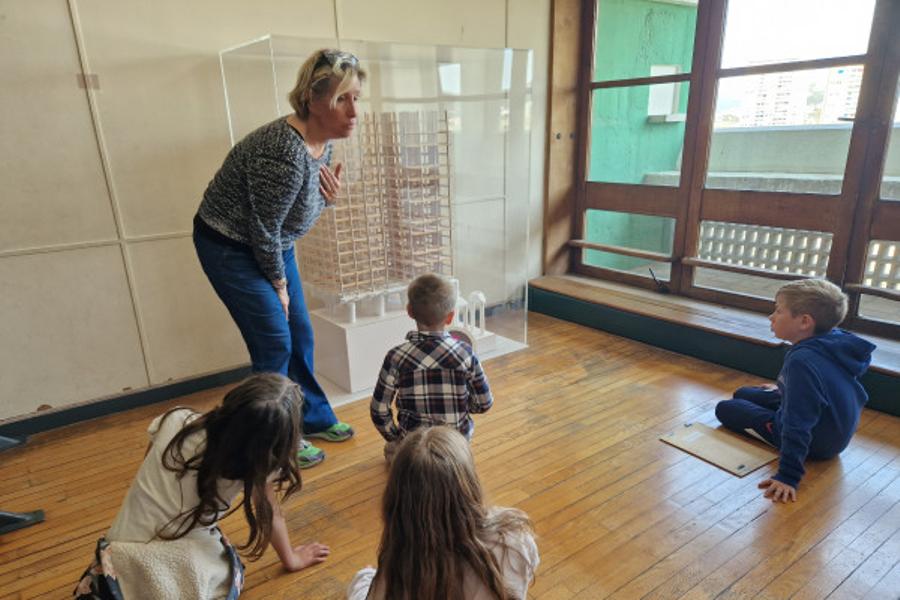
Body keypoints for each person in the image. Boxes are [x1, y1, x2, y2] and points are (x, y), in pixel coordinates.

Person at [193, 48, 366, 468]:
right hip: (230, 245)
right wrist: (280, 286)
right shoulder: (283, 151)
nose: (354, 111)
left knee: (300, 334)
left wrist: (329, 201)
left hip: (270, 243)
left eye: (357, 98)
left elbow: (290, 213)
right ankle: (274, 441)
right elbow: (264, 229)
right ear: (312, 99)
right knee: (274, 340)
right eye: (342, 99)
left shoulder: (320, 144)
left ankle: (310, 417)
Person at [73, 373, 330, 599]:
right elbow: (269, 514)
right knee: (228, 569)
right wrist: (292, 559)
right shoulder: (255, 468)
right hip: (168, 561)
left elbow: (149, 468)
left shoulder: (177, 419)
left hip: (116, 549)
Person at [715, 279, 876, 503]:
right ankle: (781, 395)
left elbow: (797, 423)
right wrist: (785, 388)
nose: (771, 317)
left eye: (779, 311)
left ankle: (781, 440)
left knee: (727, 408)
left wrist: (788, 476)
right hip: (833, 425)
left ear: (804, 322)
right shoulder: (833, 340)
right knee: (744, 392)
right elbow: (822, 384)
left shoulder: (802, 361)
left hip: (818, 442)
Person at [347, 427, 539, 600]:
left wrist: (363, 580)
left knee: (361, 579)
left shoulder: (398, 567)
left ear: (396, 503)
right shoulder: (514, 540)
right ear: (469, 484)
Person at [370, 273, 493, 463]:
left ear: (409, 311)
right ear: (450, 316)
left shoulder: (396, 357)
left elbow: (379, 410)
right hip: (455, 445)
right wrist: (461, 405)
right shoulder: (466, 353)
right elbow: (484, 403)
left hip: (414, 447)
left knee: (389, 450)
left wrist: (396, 438)